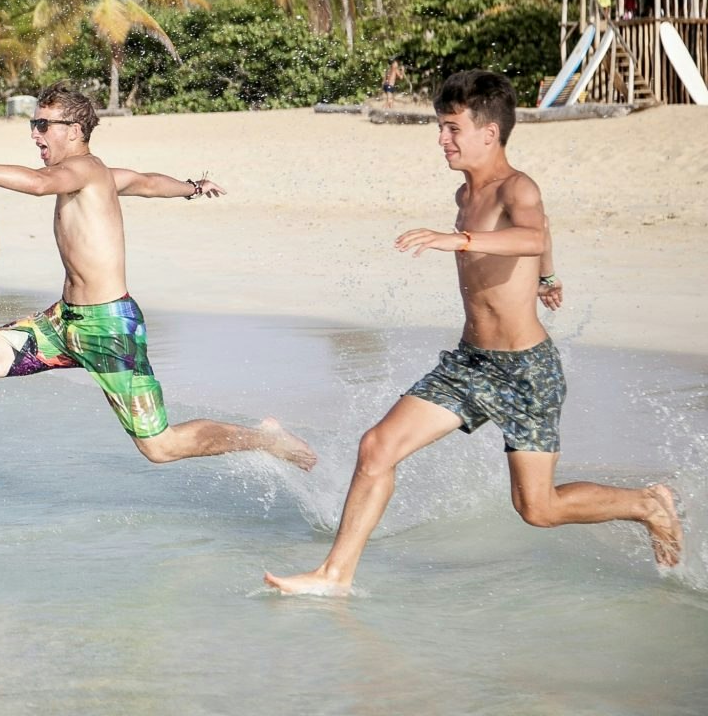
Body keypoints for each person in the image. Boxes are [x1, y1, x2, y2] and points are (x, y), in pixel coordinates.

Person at [265, 69, 682, 596]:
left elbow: (532, 233)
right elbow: (541, 239)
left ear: (490, 132)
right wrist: (549, 278)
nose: (442, 139)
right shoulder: (466, 193)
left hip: (526, 372)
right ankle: (334, 575)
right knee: (376, 448)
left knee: (538, 508)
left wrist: (460, 241)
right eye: (440, 127)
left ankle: (648, 504)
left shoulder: (517, 186)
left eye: (451, 128)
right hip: (469, 364)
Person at [0, 82, 317, 503]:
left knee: (160, 447)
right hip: (65, 323)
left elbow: (38, 185)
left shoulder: (79, 169)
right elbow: (145, 182)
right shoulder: (97, 174)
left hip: (109, 328)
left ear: (74, 129)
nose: (34, 135)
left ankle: (266, 440)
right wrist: (193, 187)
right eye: (32, 124)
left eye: (43, 125)